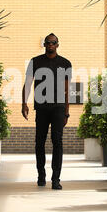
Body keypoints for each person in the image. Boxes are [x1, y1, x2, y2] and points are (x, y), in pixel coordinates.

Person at [22, 33, 72, 190]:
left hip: (58, 108)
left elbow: (66, 90)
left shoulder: (65, 63)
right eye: (48, 43)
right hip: (42, 108)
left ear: (57, 44)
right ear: (44, 45)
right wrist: (24, 103)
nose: (50, 45)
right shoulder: (35, 61)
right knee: (39, 143)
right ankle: (41, 176)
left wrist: (66, 111)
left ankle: (56, 179)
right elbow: (28, 84)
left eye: (53, 42)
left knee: (57, 142)